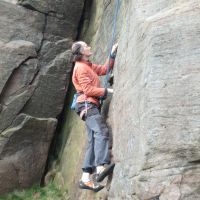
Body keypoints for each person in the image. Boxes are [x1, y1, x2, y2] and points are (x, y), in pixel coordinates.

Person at [71, 41, 118, 192]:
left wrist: (112, 54)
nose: (89, 47)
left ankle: (85, 178)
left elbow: (104, 69)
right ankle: (100, 167)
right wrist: (107, 91)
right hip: (87, 105)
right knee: (101, 132)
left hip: (89, 106)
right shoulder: (80, 68)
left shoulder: (87, 66)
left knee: (92, 141)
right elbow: (88, 89)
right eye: (86, 46)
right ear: (81, 52)